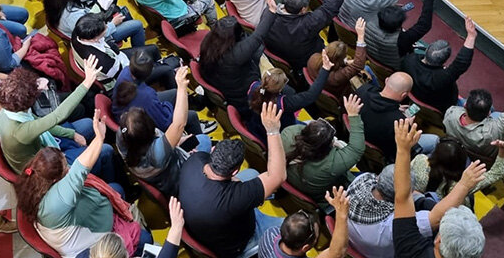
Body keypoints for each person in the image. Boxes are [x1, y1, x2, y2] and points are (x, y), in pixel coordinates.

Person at [15, 111, 151, 258]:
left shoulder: (37, 182)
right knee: (146, 239)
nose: (69, 167)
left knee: (116, 188)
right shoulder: (55, 203)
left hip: (91, 221)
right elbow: (79, 169)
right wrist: (99, 138)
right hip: (92, 246)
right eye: (65, 166)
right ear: (55, 180)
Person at [179, 103, 286, 258]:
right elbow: (279, 176)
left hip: (208, 222)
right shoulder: (235, 198)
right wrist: (273, 131)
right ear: (235, 171)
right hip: (237, 243)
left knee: (252, 174)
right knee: (291, 226)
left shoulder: (194, 160)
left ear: (213, 151)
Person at [391, 120, 487, 258]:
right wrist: (463, 185)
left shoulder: (409, 247)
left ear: (438, 240)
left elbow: (403, 196)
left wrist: (403, 149)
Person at [116, 66, 213, 197]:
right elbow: (179, 124)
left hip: (165, 166)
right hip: (180, 178)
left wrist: (175, 142)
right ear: (150, 130)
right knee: (204, 141)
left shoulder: (122, 136)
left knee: (196, 139)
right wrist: (181, 86)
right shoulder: (157, 153)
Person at [265, 0, 353, 79]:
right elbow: (332, 6)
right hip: (306, 62)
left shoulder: (268, 15)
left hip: (282, 55)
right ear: (303, 9)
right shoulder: (308, 24)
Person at [283, 95, 366, 202]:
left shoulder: (288, 133)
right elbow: (356, 149)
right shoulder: (332, 165)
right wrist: (354, 115)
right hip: (321, 197)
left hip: (292, 182)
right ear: (329, 146)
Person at [199, 5, 276, 112]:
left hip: (221, 81)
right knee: (280, 85)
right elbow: (259, 36)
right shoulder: (236, 54)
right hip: (241, 95)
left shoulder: (208, 41)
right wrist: (271, 10)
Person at [401, 18, 476, 115]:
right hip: (442, 106)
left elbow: (461, 64)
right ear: (445, 61)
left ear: (427, 50)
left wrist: (471, 36)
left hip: (415, 96)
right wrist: (471, 36)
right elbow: (461, 63)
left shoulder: (409, 60)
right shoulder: (442, 78)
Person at [357, 72, 439, 160]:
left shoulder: (363, 90)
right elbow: (410, 152)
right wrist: (409, 129)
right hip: (390, 153)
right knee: (435, 140)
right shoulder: (400, 123)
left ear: (386, 80)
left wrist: (395, 109)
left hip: (360, 139)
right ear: (404, 95)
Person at [365, 0, 435, 70]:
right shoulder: (402, 39)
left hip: (375, 58)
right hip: (396, 67)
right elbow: (424, 25)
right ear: (399, 26)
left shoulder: (367, 24)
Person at [245, 65, 332, 141]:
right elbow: (311, 95)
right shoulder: (283, 104)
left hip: (256, 126)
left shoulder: (254, 86)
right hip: (283, 132)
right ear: (280, 89)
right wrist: (325, 69)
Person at [259, 188, 350, 258]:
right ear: (305, 248)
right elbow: (338, 252)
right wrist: (341, 214)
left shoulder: (270, 234)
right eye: (316, 237)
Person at [411, 137, 504, 202]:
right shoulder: (463, 184)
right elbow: (496, 173)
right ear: (462, 161)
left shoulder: (420, 160)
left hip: (416, 202)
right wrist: (503, 151)